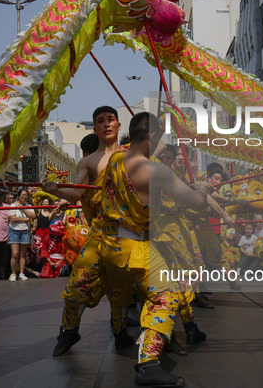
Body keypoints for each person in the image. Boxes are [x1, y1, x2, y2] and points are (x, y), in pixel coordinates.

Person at [97, 111, 211, 387]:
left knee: (131, 297)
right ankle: (148, 363)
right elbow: (196, 203)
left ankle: (137, 339)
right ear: (152, 136)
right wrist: (202, 190)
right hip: (136, 246)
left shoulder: (113, 161)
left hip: (108, 245)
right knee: (168, 295)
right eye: (158, 137)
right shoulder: (157, 170)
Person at [44, 106, 134, 357]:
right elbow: (76, 193)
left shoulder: (133, 155)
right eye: (101, 121)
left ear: (118, 125)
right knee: (75, 287)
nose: (106, 124)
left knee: (120, 291)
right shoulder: (88, 161)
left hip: (127, 235)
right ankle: (69, 331)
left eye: (111, 120)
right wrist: (55, 190)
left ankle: (121, 334)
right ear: (95, 127)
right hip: (98, 234)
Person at [8, 188, 36, 281]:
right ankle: (13, 273)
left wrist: (23, 209)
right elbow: (13, 219)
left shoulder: (29, 206)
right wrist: (25, 219)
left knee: (23, 254)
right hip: (14, 230)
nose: (24, 197)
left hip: (25, 231)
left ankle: (21, 273)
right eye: (22, 195)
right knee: (15, 254)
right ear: (19, 196)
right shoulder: (13, 205)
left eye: (26, 195)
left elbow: (33, 216)